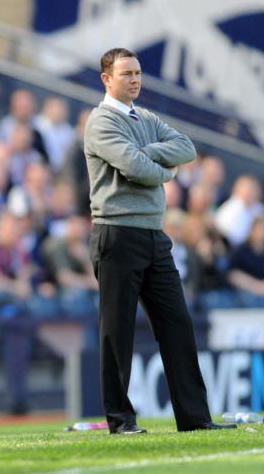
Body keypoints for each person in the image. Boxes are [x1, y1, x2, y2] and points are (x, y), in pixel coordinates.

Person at [83, 47, 234, 434]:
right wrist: (167, 173)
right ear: (106, 79)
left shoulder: (145, 118)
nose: (135, 79)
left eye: (137, 72)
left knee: (177, 325)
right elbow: (135, 168)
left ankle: (195, 418)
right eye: (126, 73)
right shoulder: (100, 122)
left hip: (153, 233)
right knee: (117, 332)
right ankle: (120, 421)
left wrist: (149, 155)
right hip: (116, 233)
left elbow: (186, 148)